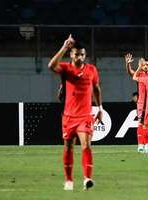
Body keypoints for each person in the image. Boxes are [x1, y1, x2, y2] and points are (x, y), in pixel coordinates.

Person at [48, 34, 103, 191]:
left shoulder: (92, 70)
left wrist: (100, 108)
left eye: (83, 54)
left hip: (85, 115)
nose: (80, 57)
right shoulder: (65, 68)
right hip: (69, 116)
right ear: (71, 54)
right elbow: (51, 65)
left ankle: (87, 178)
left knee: (86, 145)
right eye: (77, 54)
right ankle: (69, 180)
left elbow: (97, 89)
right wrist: (65, 47)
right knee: (68, 146)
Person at [125, 53, 148, 153]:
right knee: (140, 123)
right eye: (143, 65)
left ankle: (146, 144)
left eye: (147, 65)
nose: (145, 66)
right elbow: (130, 72)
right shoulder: (139, 74)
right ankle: (140, 145)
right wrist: (128, 64)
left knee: (147, 125)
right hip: (141, 103)